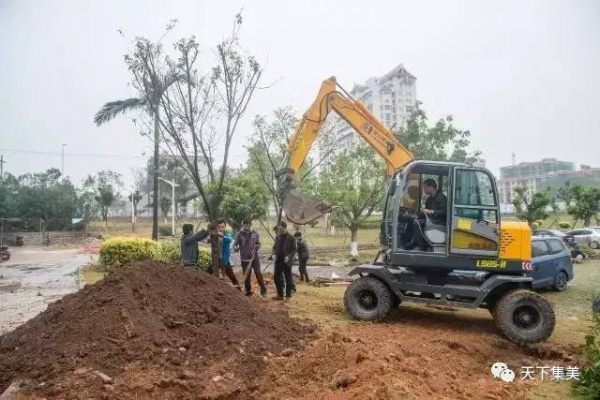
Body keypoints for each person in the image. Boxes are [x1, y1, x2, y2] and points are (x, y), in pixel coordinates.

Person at [404, 179, 447, 251]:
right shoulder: (429, 199)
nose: (424, 190)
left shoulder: (442, 198)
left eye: (425, 187)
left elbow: (444, 212)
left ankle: (421, 246)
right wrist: (417, 216)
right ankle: (408, 241)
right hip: (430, 220)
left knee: (417, 223)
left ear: (431, 187)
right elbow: (426, 212)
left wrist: (431, 212)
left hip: (438, 222)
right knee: (412, 220)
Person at [234, 220, 267, 298]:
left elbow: (259, 243)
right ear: (242, 225)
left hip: (254, 258)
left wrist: (258, 246)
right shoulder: (239, 234)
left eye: (248, 225)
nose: (246, 227)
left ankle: (263, 291)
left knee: (258, 273)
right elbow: (234, 245)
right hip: (244, 259)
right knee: (247, 276)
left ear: (250, 225)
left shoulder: (255, 234)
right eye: (245, 225)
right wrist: (236, 248)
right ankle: (248, 292)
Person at [271, 221, 297, 300]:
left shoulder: (291, 237)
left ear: (285, 227)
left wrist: (289, 256)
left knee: (288, 278)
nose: (279, 231)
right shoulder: (278, 237)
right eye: (278, 229)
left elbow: (294, 249)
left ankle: (288, 295)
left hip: (287, 261)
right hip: (279, 260)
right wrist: (274, 254)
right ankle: (280, 294)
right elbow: (274, 247)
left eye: (281, 229)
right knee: (276, 276)